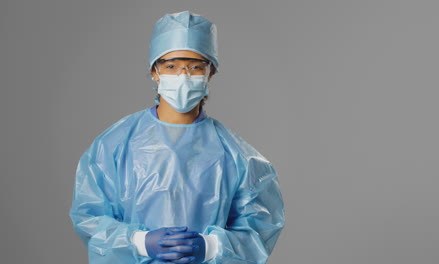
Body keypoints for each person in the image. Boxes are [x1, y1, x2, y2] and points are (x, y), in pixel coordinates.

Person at [69, 10, 284, 264]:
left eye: (195, 67)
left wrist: (211, 247)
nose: (183, 76)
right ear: (154, 71)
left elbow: (261, 229)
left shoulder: (239, 156)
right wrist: (140, 242)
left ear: (210, 73)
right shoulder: (115, 144)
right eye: (171, 66)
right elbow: (89, 217)